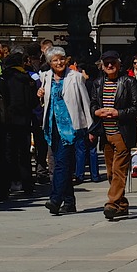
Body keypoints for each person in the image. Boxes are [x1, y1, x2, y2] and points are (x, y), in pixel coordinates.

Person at [38, 47, 94, 215]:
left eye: (61, 59)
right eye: (55, 60)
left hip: (70, 128)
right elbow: (45, 99)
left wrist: (90, 128)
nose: (59, 62)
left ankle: (55, 199)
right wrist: (40, 93)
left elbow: (85, 102)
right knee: (60, 163)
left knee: (61, 164)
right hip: (52, 126)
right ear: (49, 63)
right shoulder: (46, 77)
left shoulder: (76, 77)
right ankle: (69, 202)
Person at [89, 50, 137, 220]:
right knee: (111, 173)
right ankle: (122, 204)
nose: (110, 66)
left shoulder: (129, 82)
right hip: (105, 133)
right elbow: (92, 104)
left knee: (119, 170)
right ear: (102, 66)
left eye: (113, 62)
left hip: (122, 132)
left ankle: (112, 203)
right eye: (107, 63)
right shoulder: (98, 83)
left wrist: (118, 113)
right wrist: (96, 112)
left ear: (119, 64)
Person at [0, 50, 39, 194]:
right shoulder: (28, 80)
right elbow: (34, 102)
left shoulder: (5, 79)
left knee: (10, 151)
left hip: (9, 120)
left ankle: (13, 180)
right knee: (24, 152)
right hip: (25, 119)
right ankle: (27, 182)